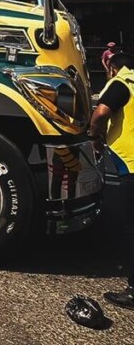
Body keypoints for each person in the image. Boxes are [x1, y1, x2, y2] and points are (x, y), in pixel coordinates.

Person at [89, 51, 134, 309]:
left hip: (131, 165)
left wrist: (95, 137)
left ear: (114, 68)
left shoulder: (121, 83)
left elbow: (101, 113)